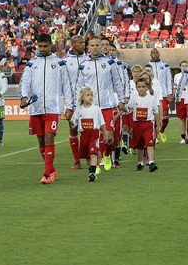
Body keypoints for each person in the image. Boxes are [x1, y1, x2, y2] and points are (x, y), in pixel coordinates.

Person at [20, 33, 75, 185]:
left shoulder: (60, 63)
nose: (43, 49)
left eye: (45, 46)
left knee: (50, 137)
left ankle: (46, 173)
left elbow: (67, 87)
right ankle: (51, 169)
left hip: (53, 108)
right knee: (41, 141)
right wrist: (24, 97)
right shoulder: (31, 64)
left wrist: (69, 106)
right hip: (36, 108)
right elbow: (24, 83)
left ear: (51, 45)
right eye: (40, 46)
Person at [76, 37, 127, 172]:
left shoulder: (109, 62)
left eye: (97, 45)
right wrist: (77, 105)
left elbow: (117, 82)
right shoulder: (83, 64)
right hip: (90, 107)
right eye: (92, 45)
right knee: (92, 136)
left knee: (109, 136)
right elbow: (79, 86)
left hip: (107, 104)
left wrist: (121, 100)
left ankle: (107, 155)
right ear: (88, 47)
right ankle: (95, 163)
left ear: (101, 47)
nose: (95, 47)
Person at [71, 86, 111, 182]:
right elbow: (73, 122)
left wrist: (105, 133)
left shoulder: (96, 109)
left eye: (91, 95)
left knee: (93, 153)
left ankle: (93, 172)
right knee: (87, 156)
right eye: (87, 95)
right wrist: (70, 119)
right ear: (82, 97)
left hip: (94, 133)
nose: (90, 97)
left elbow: (101, 122)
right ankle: (91, 173)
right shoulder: (79, 109)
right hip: (84, 134)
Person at [63, 35, 88, 170]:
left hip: (88, 102)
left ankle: (91, 157)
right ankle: (77, 160)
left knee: (88, 130)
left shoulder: (88, 59)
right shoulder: (65, 61)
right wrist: (67, 104)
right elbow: (63, 84)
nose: (83, 44)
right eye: (80, 42)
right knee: (73, 130)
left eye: (84, 42)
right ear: (72, 44)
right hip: (72, 102)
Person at [126, 78, 160, 172]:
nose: (141, 89)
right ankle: (140, 163)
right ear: (136, 88)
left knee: (149, 143)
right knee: (139, 145)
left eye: (143, 87)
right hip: (137, 124)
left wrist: (157, 124)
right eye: (139, 87)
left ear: (147, 87)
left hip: (148, 123)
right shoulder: (134, 98)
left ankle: (151, 162)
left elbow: (155, 111)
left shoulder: (152, 98)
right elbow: (129, 109)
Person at [148, 48, 173, 143]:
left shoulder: (165, 66)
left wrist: (170, 93)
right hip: (151, 94)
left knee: (165, 116)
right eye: (153, 53)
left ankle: (162, 130)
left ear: (159, 54)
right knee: (153, 116)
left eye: (156, 53)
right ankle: (155, 134)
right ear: (150, 54)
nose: (155, 54)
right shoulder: (148, 66)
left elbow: (168, 79)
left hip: (163, 94)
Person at [173, 60, 188, 143]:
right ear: (180, 67)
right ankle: (183, 137)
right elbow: (175, 87)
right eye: (182, 66)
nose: (184, 67)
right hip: (180, 99)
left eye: (186, 65)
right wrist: (173, 97)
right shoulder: (177, 76)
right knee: (182, 119)